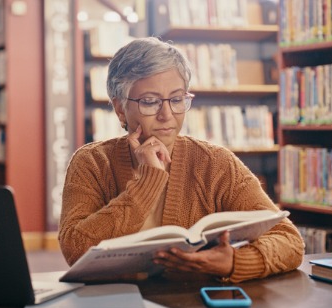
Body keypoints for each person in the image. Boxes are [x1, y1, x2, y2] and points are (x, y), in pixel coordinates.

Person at [59, 37, 304, 283]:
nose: (167, 115)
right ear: (120, 109)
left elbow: (289, 240)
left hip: (194, 300)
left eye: (176, 100)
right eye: (150, 102)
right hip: (115, 302)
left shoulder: (215, 162)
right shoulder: (91, 162)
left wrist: (234, 262)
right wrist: (147, 184)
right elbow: (75, 250)